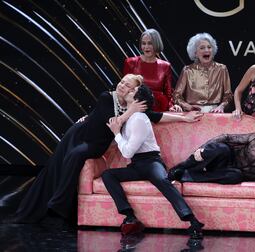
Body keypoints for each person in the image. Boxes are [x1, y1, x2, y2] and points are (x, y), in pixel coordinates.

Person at [13, 74, 203, 224]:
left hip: (94, 144)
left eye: (127, 85)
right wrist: (132, 110)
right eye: (121, 82)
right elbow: (113, 122)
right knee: (57, 165)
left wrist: (184, 118)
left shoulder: (132, 107)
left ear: (133, 92)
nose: (122, 86)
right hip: (79, 135)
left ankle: (59, 207)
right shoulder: (106, 97)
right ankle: (47, 207)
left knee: (76, 155)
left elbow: (156, 116)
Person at [102, 84, 204, 239]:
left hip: (151, 162)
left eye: (133, 91)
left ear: (139, 100)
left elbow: (127, 151)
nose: (129, 91)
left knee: (163, 181)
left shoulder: (139, 119)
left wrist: (116, 133)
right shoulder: (129, 116)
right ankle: (130, 217)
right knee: (108, 175)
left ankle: (193, 222)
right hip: (137, 164)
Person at [167, 128, 255, 185]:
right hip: (221, 160)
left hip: (228, 174)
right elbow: (226, 137)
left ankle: (186, 176)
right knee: (222, 148)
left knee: (236, 175)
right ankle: (178, 169)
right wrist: (200, 150)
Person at [170, 32, 233, 113]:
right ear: (195, 53)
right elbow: (177, 95)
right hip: (192, 113)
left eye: (209, 47)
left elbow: (228, 95)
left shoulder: (222, 69)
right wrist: (187, 106)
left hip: (215, 113)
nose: (206, 50)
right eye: (202, 48)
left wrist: (221, 106)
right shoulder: (187, 70)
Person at [123, 29, 173, 112]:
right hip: (136, 107)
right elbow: (125, 88)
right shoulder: (130, 62)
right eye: (143, 43)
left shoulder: (165, 66)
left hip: (159, 108)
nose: (146, 47)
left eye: (150, 43)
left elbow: (168, 93)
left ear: (156, 44)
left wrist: (171, 106)